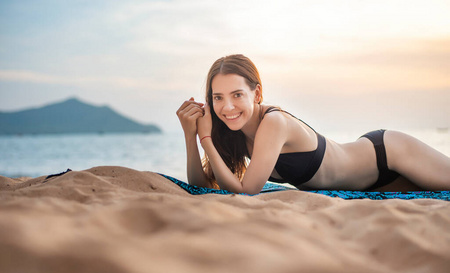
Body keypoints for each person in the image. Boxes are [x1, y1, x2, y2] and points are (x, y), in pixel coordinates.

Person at [176, 54, 450, 194]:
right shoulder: (231, 132)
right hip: (374, 186)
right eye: (218, 98)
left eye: (237, 95)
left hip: (387, 154)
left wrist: (206, 140)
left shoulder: (274, 123)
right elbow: (202, 187)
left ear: (257, 94)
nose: (227, 107)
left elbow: (246, 192)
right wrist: (191, 136)